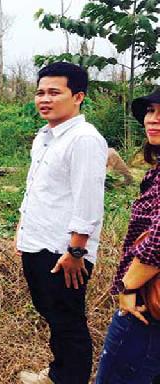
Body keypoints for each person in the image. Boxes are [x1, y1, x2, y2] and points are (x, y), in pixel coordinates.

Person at [15, 62, 108, 384]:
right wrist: (22, 231)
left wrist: (76, 251)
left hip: (64, 251)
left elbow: (89, 200)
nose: (45, 99)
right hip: (36, 240)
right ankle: (59, 372)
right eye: (40, 92)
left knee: (67, 319)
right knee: (51, 312)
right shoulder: (45, 137)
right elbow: (38, 190)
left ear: (78, 96)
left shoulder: (84, 139)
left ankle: (71, 377)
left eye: (55, 92)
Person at [95, 88, 160, 383]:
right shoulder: (155, 173)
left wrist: (128, 286)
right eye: (150, 111)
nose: (153, 120)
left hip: (146, 301)